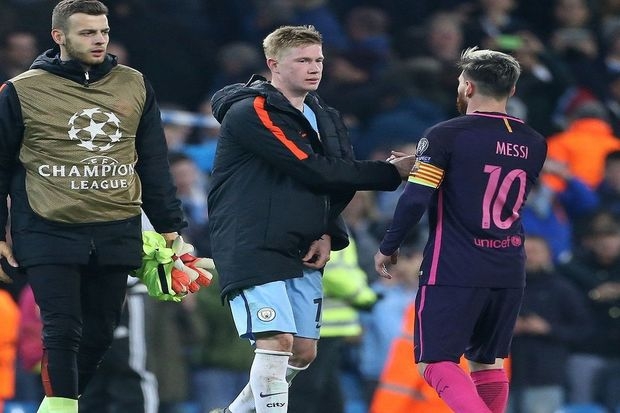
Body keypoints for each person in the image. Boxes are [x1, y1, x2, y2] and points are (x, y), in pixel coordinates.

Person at [0, 1, 206, 412]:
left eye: (104, 32)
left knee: (100, 331)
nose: (99, 40)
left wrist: (170, 229)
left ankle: (61, 404)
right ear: (59, 36)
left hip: (116, 227)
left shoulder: (134, 84)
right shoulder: (21, 91)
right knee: (62, 327)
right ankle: (61, 408)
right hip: (46, 228)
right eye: (87, 33)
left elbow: (152, 162)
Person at [207, 25, 416, 413]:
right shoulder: (251, 111)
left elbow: (336, 177)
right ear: (273, 64)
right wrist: (391, 172)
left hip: (302, 243)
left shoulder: (324, 114)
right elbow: (309, 168)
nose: (314, 68)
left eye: (318, 60)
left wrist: (326, 228)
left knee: (302, 352)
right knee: (276, 342)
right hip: (253, 241)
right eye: (303, 60)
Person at [374, 46, 547, 413]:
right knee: (487, 363)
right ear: (512, 90)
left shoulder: (446, 135)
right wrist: (429, 161)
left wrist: (389, 245)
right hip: (508, 265)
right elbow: (484, 169)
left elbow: (415, 200)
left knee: (434, 361)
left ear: (468, 87)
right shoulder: (534, 142)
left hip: (455, 264)